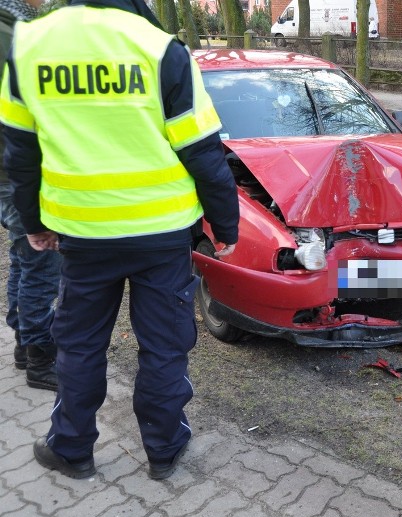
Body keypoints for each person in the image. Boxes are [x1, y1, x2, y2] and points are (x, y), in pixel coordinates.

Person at [0, 0, 239, 480]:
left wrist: (34, 222)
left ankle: (71, 448)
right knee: (164, 345)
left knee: (81, 343)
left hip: (85, 236)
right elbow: (202, 151)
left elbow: (19, 153)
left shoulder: (29, 45)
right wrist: (225, 226)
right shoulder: (160, 48)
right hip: (161, 236)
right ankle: (164, 449)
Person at [0, 0, 62, 391]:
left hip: (9, 168)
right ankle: (39, 355)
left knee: (23, 255)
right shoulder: (11, 31)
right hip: (17, 167)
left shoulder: (14, 24)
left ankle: (24, 341)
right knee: (40, 260)